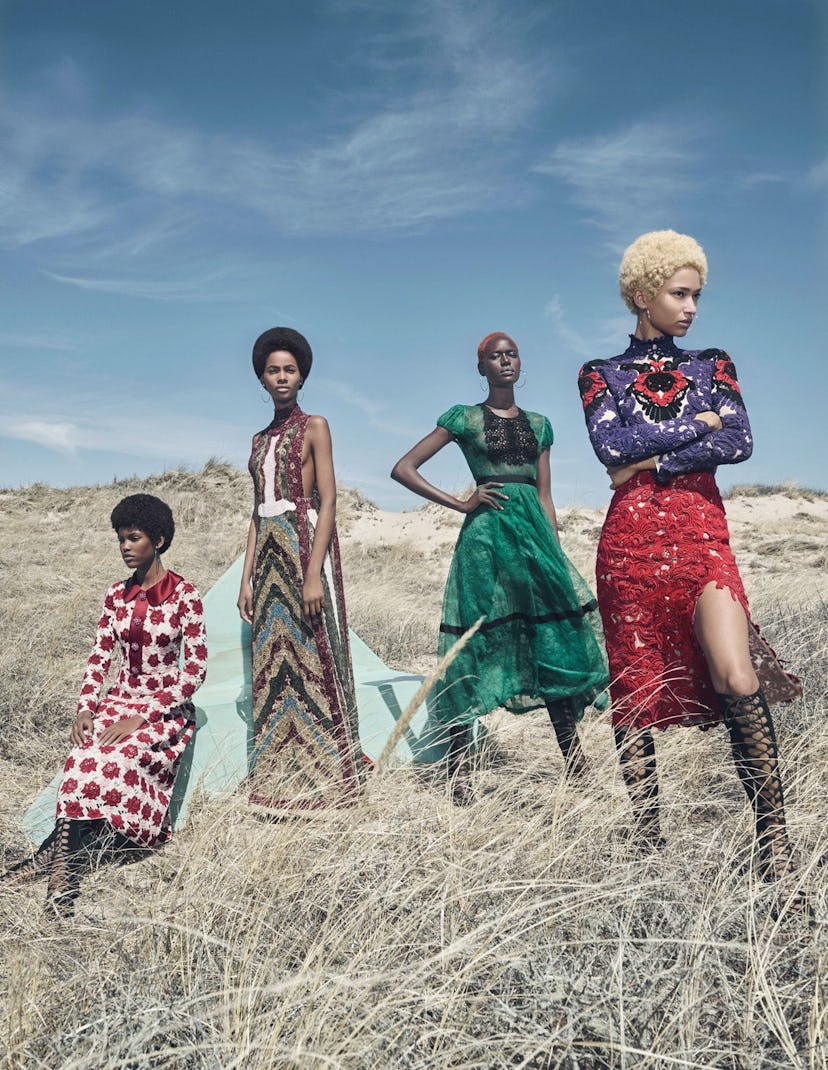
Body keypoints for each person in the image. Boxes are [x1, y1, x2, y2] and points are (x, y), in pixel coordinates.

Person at [578, 230, 802, 903]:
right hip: (629, 547)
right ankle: (648, 838)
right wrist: (694, 426)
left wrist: (653, 460)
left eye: (697, 294)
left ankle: (775, 842)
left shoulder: (713, 363)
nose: (692, 307)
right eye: (679, 293)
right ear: (643, 295)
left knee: (736, 673)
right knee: (636, 692)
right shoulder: (599, 373)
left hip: (702, 535)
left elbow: (740, 439)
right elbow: (607, 445)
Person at [391, 332, 609, 804]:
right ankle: (459, 773)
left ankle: (574, 762)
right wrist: (461, 503)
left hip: (534, 541)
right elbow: (404, 468)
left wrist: (553, 551)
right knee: (472, 644)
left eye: (511, 354)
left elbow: (545, 494)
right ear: (482, 368)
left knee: (550, 638)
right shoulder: (465, 418)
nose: (505, 360)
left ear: (519, 363)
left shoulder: (541, 424)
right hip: (486, 541)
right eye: (495, 355)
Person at [2, 494, 207, 913]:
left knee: (120, 756)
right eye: (120, 539)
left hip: (161, 710)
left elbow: (196, 671)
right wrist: (85, 708)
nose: (125, 547)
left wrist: (142, 717)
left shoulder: (186, 595)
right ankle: (62, 866)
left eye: (134, 538)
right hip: (118, 700)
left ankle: (52, 863)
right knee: (83, 753)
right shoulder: (116, 595)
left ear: (159, 540)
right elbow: (100, 657)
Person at [237, 327, 363, 810]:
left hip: (302, 541)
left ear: (302, 375)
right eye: (273, 370)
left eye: (290, 369)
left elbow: (328, 500)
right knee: (273, 660)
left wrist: (313, 573)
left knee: (315, 650)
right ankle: (281, 773)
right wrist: (247, 576)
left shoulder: (315, 426)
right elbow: (256, 509)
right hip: (267, 550)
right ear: (262, 379)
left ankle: (333, 773)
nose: (282, 376)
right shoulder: (257, 438)